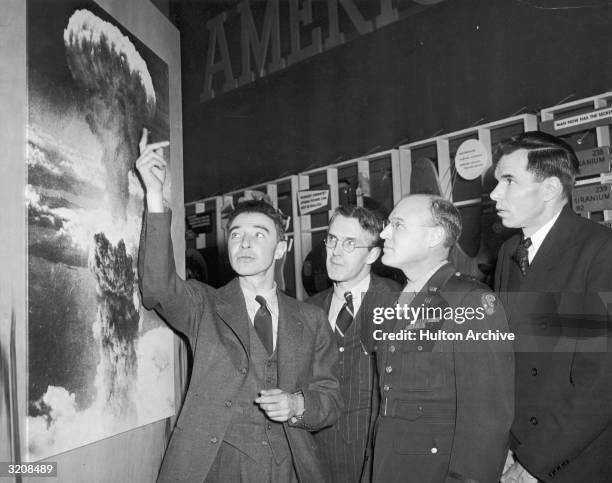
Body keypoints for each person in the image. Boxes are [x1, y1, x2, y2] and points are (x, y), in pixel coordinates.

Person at [135, 130, 340, 483]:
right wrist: (155, 195)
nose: (244, 243)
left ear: (281, 249)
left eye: (259, 234)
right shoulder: (204, 304)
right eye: (236, 234)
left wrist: (297, 406)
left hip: (289, 468)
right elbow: (156, 288)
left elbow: (330, 400)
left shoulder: (312, 318)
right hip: (217, 466)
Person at [492, 131, 612, 483]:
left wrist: (534, 463)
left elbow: (600, 382)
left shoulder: (598, 252)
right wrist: (500, 445)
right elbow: (505, 358)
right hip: (513, 450)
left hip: (572, 459)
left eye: (509, 181)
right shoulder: (508, 252)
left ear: (550, 189)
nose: (495, 193)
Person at [368, 194, 514, 483]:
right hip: (391, 463)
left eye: (397, 225)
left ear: (434, 236)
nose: (384, 233)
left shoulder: (469, 301)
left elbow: (488, 414)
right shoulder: (398, 300)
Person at [306, 205, 400, 483]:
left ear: (372, 253)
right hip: (317, 459)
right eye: (332, 240)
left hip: (377, 458)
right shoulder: (307, 310)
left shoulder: (398, 303)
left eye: (349, 243)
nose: (335, 251)